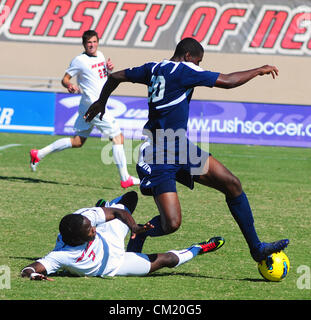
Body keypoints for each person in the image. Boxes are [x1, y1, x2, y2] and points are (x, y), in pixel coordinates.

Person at [83, 37, 289, 262]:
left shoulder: (153, 68)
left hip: (181, 147)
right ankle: (138, 233)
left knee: (232, 184)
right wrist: (259, 69)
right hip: (158, 154)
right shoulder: (184, 70)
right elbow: (228, 81)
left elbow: (114, 77)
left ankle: (257, 248)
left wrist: (102, 101)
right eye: (198, 61)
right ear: (188, 56)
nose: (198, 67)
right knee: (171, 223)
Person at [20, 191, 225, 280]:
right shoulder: (61, 255)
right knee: (168, 260)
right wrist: (34, 274)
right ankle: (199, 248)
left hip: (109, 238)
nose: (94, 229)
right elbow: (29, 268)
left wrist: (134, 227)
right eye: (90, 231)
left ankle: (110, 213)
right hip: (115, 266)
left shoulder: (86, 219)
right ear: (76, 240)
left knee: (130, 198)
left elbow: (120, 214)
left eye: (92, 226)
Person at [29, 30, 140, 189]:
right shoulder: (79, 60)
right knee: (118, 137)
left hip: (89, 105)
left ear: (98, 42)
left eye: (94, 42)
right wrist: (69, 85)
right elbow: (65, 79)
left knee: (78, 141)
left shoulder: (101, 55)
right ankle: (125, 178)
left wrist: (109, 69)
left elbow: (101, 77)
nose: (92, 45)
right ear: (84, 44)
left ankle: (38, 154)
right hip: (93, 106)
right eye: (89, 43)